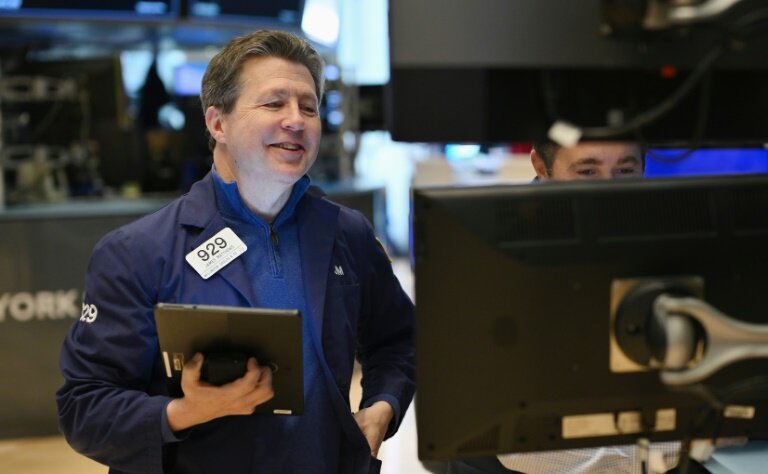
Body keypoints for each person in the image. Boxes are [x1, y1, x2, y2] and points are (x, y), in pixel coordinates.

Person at [56, 30, 415, 474]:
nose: (296, 120)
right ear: (217, 123)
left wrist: (383, 406)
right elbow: (84, 407)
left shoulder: (347, 233)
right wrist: (184, 411)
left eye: (309, 106)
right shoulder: (139, 252)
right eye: (273, 103)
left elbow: (397, 341)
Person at [447, 140, 712, 474]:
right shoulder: (490, 256)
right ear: (541, 169)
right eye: (588, 171)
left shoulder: (677, 239)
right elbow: (521, 447)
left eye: (625, 171)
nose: (609, 190)